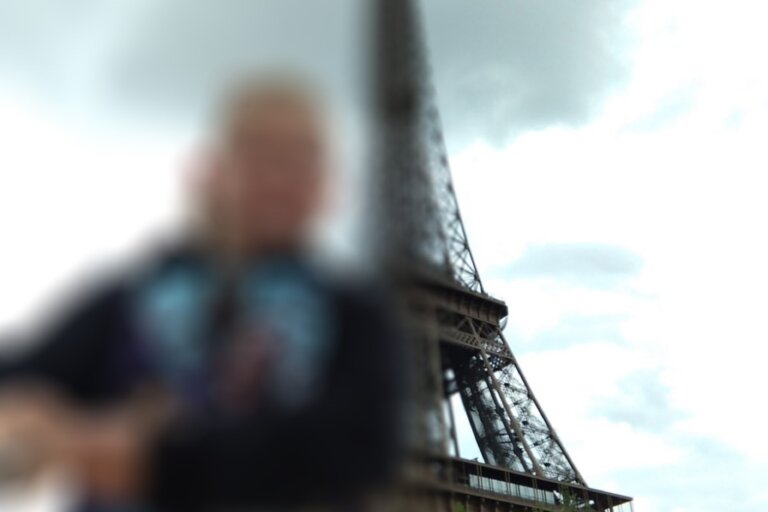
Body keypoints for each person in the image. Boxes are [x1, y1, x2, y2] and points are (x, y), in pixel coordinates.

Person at [0, 77, 405, 512]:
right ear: (215, 169)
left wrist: (151, 460)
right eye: (260, 153)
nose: (278, 177)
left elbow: (360, 447)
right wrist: (25, 420)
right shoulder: (128, 300)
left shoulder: (358, 315)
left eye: (300, 159)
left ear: (325, 185)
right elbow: (26, 377)